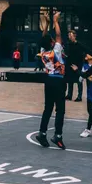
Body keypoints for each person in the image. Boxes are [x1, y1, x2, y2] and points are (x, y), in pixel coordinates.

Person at [36, 11, 67, 149]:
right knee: (60, 109)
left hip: (48, 80)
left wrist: (47, 24)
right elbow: (59, 36)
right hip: (59, 81)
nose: (55, 41)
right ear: (52, 42)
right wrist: (55, 21)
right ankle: (58, 136)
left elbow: (44, 38)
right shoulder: (56, 51)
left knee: (47, 108)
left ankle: (42, 133)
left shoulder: (43, 52)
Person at [78, 54, 92, 138]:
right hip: (90, 93)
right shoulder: (85, 66)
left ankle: (88, 129)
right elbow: (80, 79)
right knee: (90, 111)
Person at [65, 30, 85, 102]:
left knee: (79, 81)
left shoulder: (79, 44)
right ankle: (69, 95)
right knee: (70, 80)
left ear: (74, 36)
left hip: (77, 66)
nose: (69, 37)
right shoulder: (68, 44)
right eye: (68, 36)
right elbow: (67, 54)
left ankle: (79, 96)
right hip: (69, 65)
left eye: (70, 35)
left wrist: (80, 66)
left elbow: (82, 55)